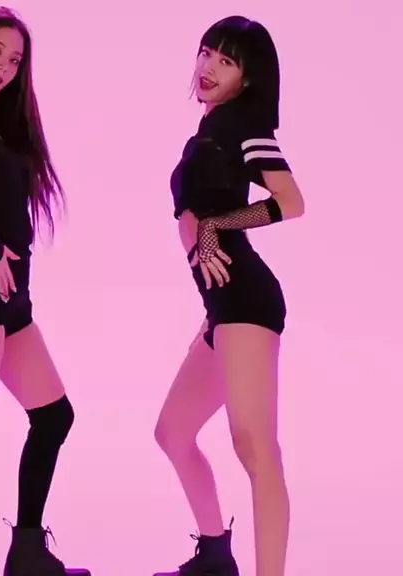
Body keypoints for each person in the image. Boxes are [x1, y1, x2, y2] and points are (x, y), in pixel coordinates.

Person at [153, 15, 305, 576]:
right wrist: (208, 313)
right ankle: (216, 556)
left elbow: (290, 201)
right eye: (206, 53)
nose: (208, 67)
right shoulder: (210, 129)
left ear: (248, 77)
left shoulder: (242, 125)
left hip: (246, 300)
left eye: (226, 61)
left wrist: (218, 225)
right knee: (173, 432)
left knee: (255, 447)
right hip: (221, 308)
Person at [0, 7, 90, 576]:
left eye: (14, 60)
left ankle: (26, 550)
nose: (3, 68)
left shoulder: (3, 125)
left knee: (53, 416)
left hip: (13, 306)